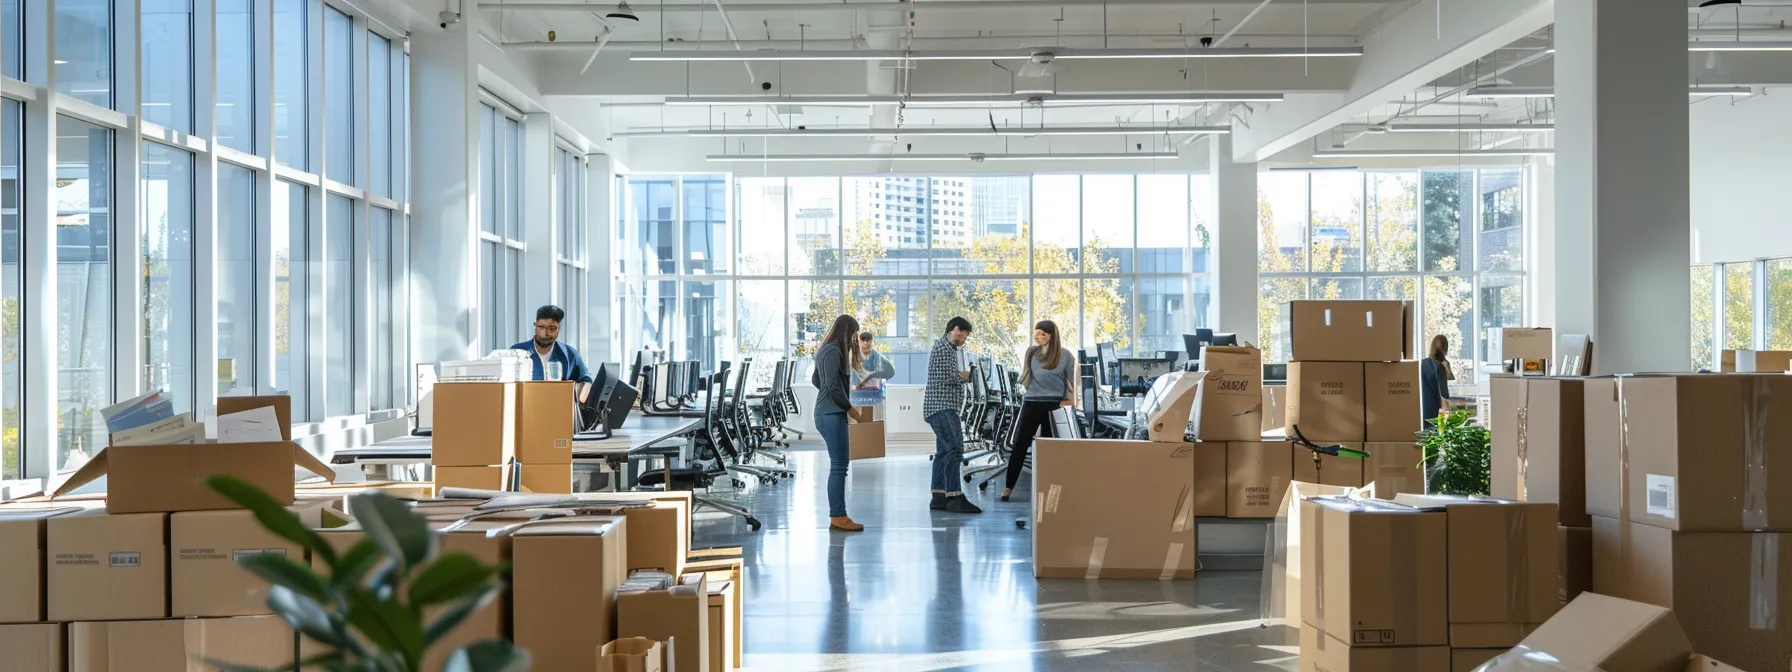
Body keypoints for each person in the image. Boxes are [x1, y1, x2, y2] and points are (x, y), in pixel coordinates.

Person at [1002, 320, 1077, 502]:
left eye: (1043, 334)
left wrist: (1074, 401)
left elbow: (1075, 382)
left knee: (1049, 448)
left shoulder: (1065, 355)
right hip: (1032, 402)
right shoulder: (1032, 353)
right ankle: (1008, 487)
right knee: (1020, 444)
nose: (1039, 337)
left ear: (1052, 336)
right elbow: (1026, 377)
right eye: (1037, 333)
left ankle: (1049, 488)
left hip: (1054, 405)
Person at [923, 317, 982, 514]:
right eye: (962, 332)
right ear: (953, 330)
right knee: (955, 450)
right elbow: (947, 376)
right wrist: (965, 376)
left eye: (966, 333)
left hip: (939, 407)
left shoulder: (947, 348)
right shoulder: (944, 349)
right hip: (943, 407)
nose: (964, 336)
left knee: (943, 452)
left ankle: (938, 496)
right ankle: (954, 497)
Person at [811, 314, 865, 532]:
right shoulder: (834, 351)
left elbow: (817, 380)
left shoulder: (827, 349)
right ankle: (838, 516)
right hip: (831, 414)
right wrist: (850, 409)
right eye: (855, 333)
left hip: (827, 411)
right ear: (847, 331)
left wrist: (831, 394)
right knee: (839, 466)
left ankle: (838, 515)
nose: (856, 338)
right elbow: (833, 387)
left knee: (839, 465)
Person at [513, 305, 594, 403]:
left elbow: (586, 380)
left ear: (559, 329)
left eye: (551, 328)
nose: (545, 333)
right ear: (535, 326)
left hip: (559, 410)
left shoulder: (569, 354)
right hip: (524, 408)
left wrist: (578, 394)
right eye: (541, 327)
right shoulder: (516, 352)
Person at [851, 331, 896, 409]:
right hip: (856, 395)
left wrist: (873, 375)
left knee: (876, 418)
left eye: (868, 340)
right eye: (863, 340)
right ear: (859, 341)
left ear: (872, 341)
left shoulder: (879, 358)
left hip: (875, 395)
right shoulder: (852, 358)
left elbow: (891, 372)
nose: (865, 343)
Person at [1420, 334, 1455, 424]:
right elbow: (1444, 393)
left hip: (1422, 407)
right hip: (1435, 409)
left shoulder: (1422, 364)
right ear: (1445, 349)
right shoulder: (1443, 365)